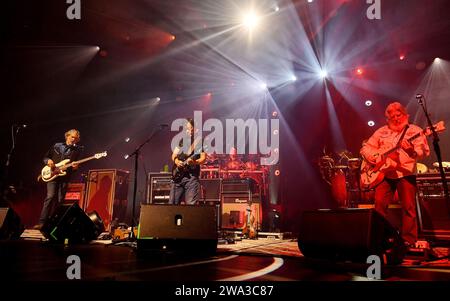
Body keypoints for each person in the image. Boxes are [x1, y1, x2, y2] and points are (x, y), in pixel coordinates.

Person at [360, 102, 430, 247]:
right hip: (384, 174)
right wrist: (373, 157)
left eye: (399, 115)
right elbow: (365, 148)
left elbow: (423, 152)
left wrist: (411, 151)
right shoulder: (381, 131)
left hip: (405, 173)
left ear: (406, 115)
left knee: (408, 208)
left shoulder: (415, 131)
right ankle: (380, 238)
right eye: (392, 116)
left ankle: (408, 240)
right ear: (387, 119)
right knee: (379, 206)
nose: (396, 118)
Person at [33, 129, 82, 230]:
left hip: (65, 176)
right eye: (72, 137)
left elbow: (74, 165)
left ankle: (55, 223)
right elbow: (45, 157)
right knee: (50, 197)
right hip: (52, 174)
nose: (74, 139)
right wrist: (49, 161)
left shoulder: (77, 150)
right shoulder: (57, 146)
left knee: (60, 200)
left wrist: (75, 167)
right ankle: (42, 223)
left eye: (76, 138)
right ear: (67, 136)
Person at [169, 119, 206, 205]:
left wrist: (194, 162)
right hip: (177, 177)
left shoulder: (200, 141)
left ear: (195, 128)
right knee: (172, 206)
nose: (188, 131)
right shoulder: (181, 140)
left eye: (190, 128)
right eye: (186, 128)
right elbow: (174, 155)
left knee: (190, 206)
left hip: (191, 178)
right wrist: (176, 161)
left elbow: (203, 158)